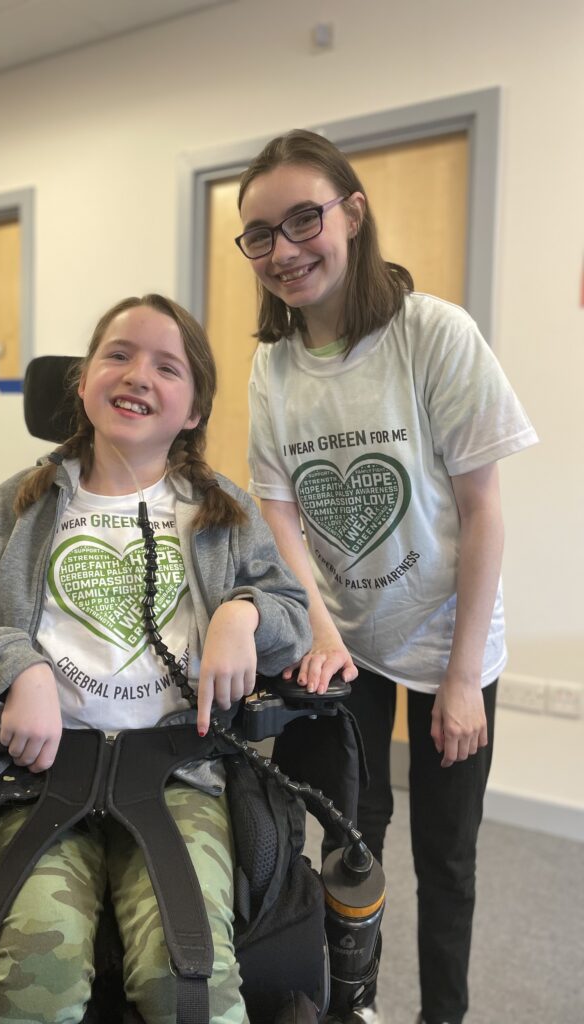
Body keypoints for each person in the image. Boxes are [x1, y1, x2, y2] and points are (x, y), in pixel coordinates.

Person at [0, 294, 312, 1024]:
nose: (138, 374)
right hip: (36, 778)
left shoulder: (224, 513)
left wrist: (242, 614)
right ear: (83, 382)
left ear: (193, 410)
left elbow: (294, 617)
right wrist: (15, 667)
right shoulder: (16, 507)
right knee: (35, 974)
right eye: (118, 354)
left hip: (179, 774)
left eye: (167, 365)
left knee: (186, 977)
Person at [234, 130, 538, 1024]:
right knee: (349, 842)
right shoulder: (272, 367)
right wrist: (324, 632)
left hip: (454, 638)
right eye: (260, 234)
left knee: (448, 858)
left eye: (303, 220)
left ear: (352, 214)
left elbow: (483, 509)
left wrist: (462, 681)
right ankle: (349, 1008)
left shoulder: (434, 333)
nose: (284, 250)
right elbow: (280, 507)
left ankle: (444, 1014)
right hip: (346, 641)